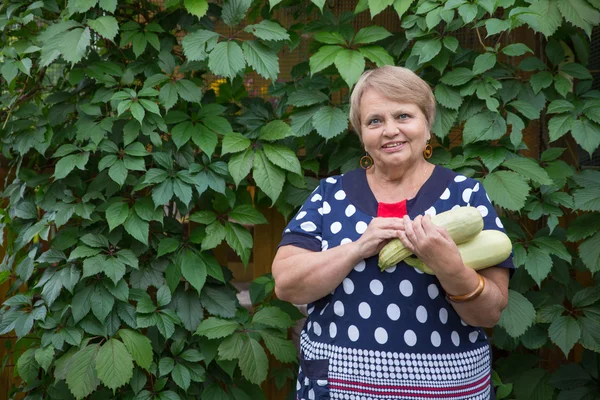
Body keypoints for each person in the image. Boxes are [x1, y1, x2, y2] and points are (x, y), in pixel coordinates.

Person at [271, 66, 513, 400]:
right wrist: (357, 248)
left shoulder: (465, 196)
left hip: (443, 390)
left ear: (427, 125)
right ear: (361, 135)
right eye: (374, 121)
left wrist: (449, 268)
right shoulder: (330, 195)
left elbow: (489, 313)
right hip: (337, 389)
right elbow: (286, 284)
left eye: (403, 115)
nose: (390, 130)